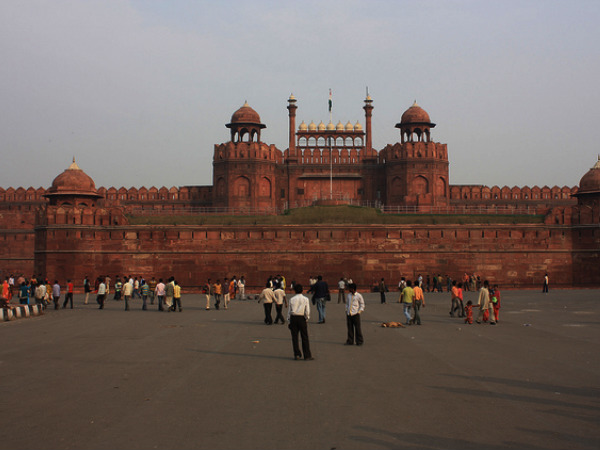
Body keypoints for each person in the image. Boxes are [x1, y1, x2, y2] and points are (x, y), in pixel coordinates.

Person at [287, 283, 313, 360]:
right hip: (301, 318)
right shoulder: (305, 299)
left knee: (294, 337)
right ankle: (307, 355)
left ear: (294, 290)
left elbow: (289, 311)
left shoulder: (292, 299)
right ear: (302, 290)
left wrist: (289, 321)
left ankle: (297, 354)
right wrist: (306, 318)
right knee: (304, 337)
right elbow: (307, 311)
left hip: (293, 318)